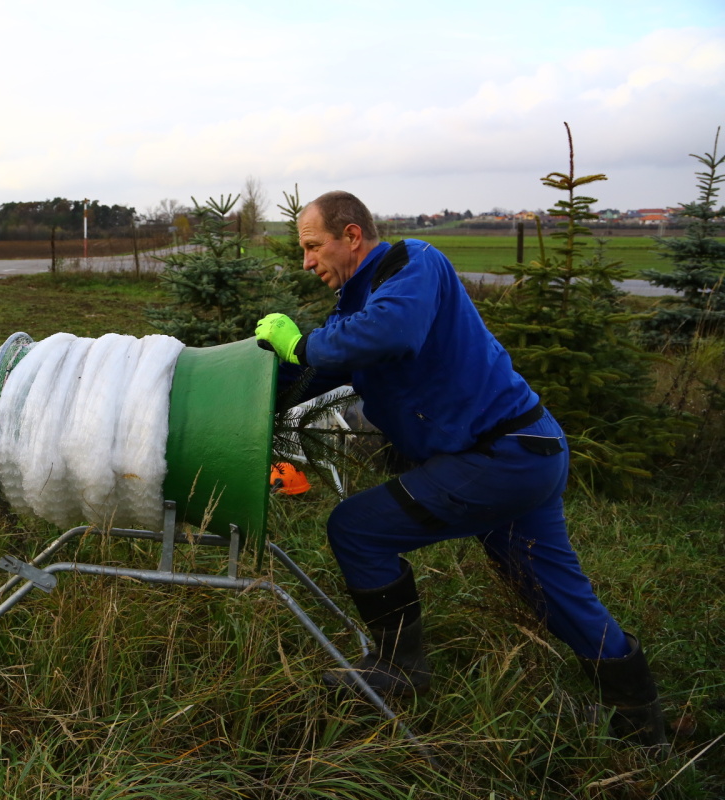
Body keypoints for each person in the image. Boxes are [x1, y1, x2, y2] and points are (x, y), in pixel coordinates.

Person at [254, 190, 666, 747]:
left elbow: (388, 333)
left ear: (350, 236)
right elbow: (311, 375)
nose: (306, 262)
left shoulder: (413, 262)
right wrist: (246, 381)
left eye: (311, 246)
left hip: (503, 454)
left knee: (356, 529)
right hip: (523, 455)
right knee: (551, 591)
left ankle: (400, 670)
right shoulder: (356, 309)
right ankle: (643, 726)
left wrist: (300, 345)